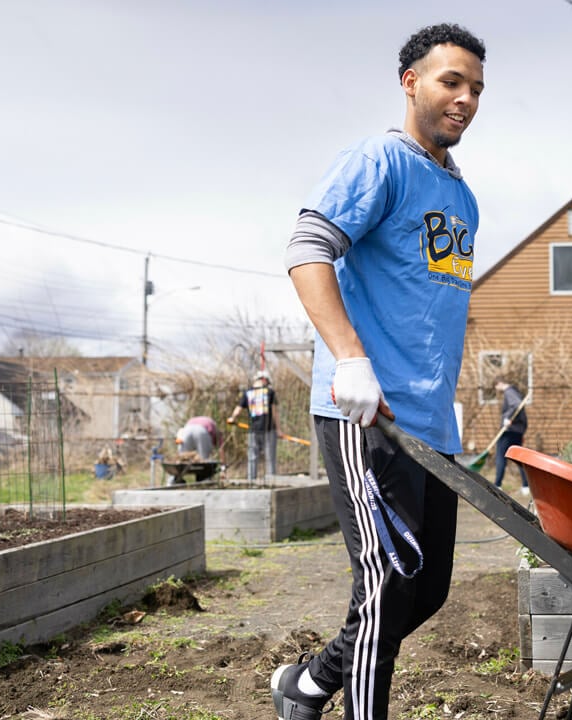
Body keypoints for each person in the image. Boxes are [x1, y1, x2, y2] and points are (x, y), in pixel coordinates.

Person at [273, 22, 486, 720]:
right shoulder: (380, 162)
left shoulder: (463, 197)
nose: (465, 99)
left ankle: (305, 687)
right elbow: (308, 249)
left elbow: (428, 308)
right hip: (367, 413)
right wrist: (351, 359)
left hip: (429, 423)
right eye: (451, 81)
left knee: (426, 590)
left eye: (476, 89)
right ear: (411, 82)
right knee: (388, 585)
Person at [226, 370, 278, 480]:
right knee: (270, 458)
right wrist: (279, 429)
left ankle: (251, 481)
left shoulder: (247, 393)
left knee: (252, 457)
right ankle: (271, 480)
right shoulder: (270, 392)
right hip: (268, 430)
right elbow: (274, 412)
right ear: (265, 380)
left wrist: (232, 418)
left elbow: (238, 410)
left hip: (253, 430)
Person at [492, 377, 529, 495]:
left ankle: (497, 485)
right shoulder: (515, 391)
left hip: (509, 431)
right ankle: (526, 486)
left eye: (496, 387)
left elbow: (517, 405)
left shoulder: (509, 392)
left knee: (501, 457)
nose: (497, 390)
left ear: (499, 384)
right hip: (517, 431)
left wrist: (507, 417)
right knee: (519, 458)